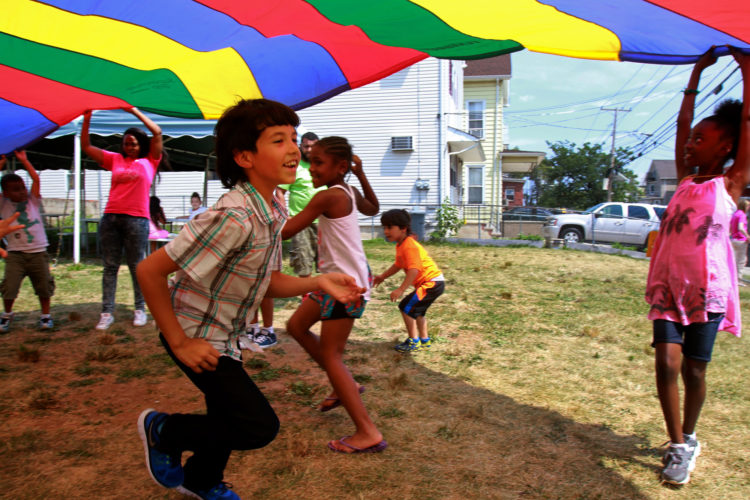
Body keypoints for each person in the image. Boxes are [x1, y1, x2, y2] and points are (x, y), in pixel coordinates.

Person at [135, 99, 365, 499]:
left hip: (226, 332)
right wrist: (179, 341)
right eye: (279, 140)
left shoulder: (273, 206)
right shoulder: (234, 216)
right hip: (195, 332)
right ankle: (163, 430)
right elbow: (149, 271)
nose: (295, 149)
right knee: (255, 426)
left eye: (294, 138)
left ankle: (201, 479)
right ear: (244, 157)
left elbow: (266, 280)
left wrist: (319, 280)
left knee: (225, 414)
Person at [645, 47, 749, 486]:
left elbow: (747, 125)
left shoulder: (732, 181)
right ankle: (677, 446)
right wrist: (696, 74)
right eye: (691, 140)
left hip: (708, 292)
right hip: (668, 287)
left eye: (701, 139)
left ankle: (691, 432)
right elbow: (681, 124)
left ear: (726, 145)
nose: (690, 143)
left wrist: (747, 70)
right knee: (666, 365)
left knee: (694, 369)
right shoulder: (687, 176)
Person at [282, 136, 386, 454]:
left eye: (317, 162)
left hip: (346, 289)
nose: (311, 168)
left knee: (332, 355)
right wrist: (362, 174)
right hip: (331, 283)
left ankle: (367, 432)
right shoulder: (349, 191)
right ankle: (348, 386)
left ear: (340, 167)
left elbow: (285, 231)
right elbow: (374, 207)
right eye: (309, 161)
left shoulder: (328, 197)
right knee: (296, 327)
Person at [81, 107, 164, 330]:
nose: (129, 147)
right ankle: (106, 312)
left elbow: (157, 132)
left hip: (137, 220)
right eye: (126, 143)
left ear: (141, 145)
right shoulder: (114, 159)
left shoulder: (151, 160)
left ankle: (140, 309)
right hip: (111, 218)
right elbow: (86, 147)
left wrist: (133, 111)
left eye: (133, 143)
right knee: (110, 267)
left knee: (137, 267)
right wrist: (87, 118)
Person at [248, 132, 322, 348]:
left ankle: (323, 299)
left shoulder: (320, 166)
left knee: (326, 262)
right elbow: (280, 191)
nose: (309, 150)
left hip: (324, 222)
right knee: (303, 261)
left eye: (313, 146)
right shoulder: (295, 168)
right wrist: (285, 215)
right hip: (300, 221)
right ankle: (306, 300)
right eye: (306, 146)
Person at [373, 209, 445, 353]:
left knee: (406, 307)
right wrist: (382, 276)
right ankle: (424, 340)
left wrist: (400, 289)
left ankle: (413, 341)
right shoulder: (401, 245)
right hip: (433, 283)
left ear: (403, 228)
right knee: (417, 311)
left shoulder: (409, 246)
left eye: (389, 227)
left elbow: (414, 269)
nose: (386, 231)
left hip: (431, 283)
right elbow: (398, 265)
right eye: (384, 227)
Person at [0, 151, 55, 332]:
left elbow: (36, 181)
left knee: (44, 286)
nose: (22, 191)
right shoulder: (3, 204)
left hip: (38, 251)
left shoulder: (33, 200)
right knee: (9, 286)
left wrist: (24, 160)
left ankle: (45, 316)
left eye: (23, 187)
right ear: (5, 193)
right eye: (16, 189)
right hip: (15, 253)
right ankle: (7, 314)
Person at [729, 198, 749, 285]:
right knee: (741, 260)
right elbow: (741, 227)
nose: (748, 207)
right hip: (741, 240)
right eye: (748, 205)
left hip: (733, 239)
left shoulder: (735, 214)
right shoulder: (742, 215)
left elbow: (730, 227)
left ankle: (731, 277)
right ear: (744, 206)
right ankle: (738, 280)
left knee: (734, 260)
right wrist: (747, 236)